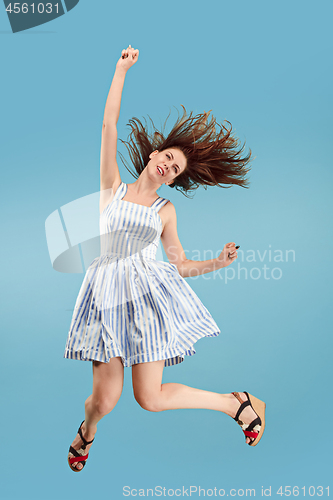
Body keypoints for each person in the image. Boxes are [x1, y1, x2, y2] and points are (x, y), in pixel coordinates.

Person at [66, 45, 266, 472]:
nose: (169, 167)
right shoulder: (112, 189)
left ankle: (236, 404)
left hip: (145, 303)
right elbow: (108, 125)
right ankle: (87, 430)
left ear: (173, 180)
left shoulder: (165, 212)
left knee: (149, 399)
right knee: (103, 400)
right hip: (104, 298)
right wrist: (121, 71)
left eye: (176, 170)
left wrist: (215, 263)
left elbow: (178, 265)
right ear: (154, 155)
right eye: (168, 159)